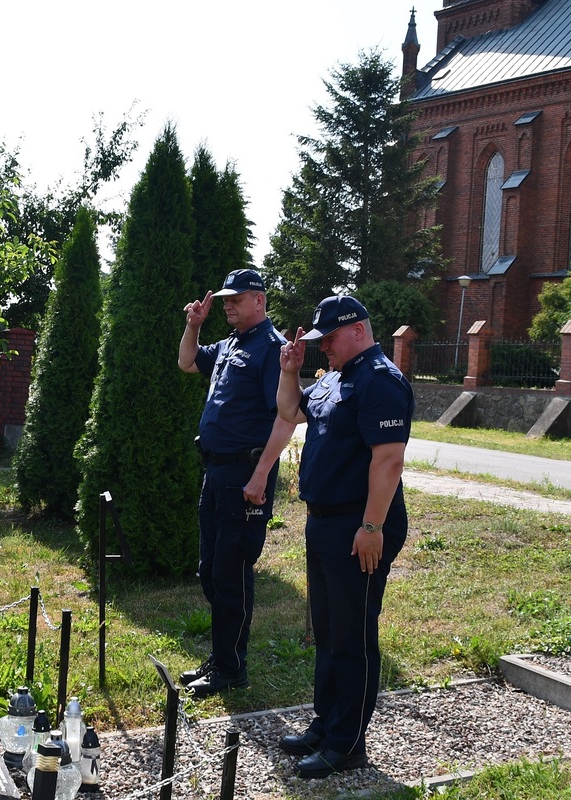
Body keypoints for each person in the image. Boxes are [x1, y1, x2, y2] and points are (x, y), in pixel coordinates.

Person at [275, 295, 413, 778]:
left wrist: (372, 526)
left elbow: (388, 460)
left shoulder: (380, 381)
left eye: (328, 339)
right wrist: (290, 370)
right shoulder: (336, 377)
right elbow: (290, 412)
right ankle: (326, 724)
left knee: (353, 635)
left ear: (356, 330)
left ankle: (348, 742)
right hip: (327, 522)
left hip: (360, 527)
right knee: (330, 630)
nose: (322, 348)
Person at [177, 268, 296, 698]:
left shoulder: (271, 348)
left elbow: (287, 416)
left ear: (259, 300)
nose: (227, 304)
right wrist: (193, 325)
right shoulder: (230, 343)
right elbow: (187, 362)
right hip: (217, 472)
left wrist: (261, 474)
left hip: (245, 476)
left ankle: (232, 669)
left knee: (232, 572)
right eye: (224, 298)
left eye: (236, 298)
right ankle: (222, 656)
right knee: (211, 570)